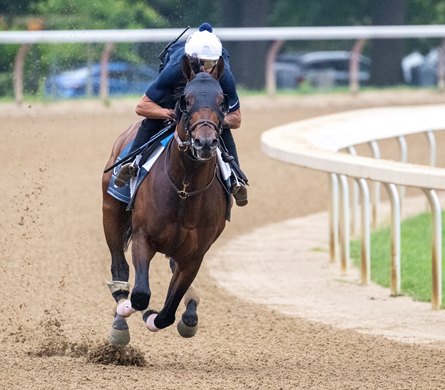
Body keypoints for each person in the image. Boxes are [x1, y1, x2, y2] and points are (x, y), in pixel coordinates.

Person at [114, 22, 248, 207]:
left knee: (221, 129)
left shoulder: (224, 75)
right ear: (189, 59)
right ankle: (131, 163)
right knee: (151, 121)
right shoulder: (176, 68)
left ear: (217, 62)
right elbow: (142, 106)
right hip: (174, 100)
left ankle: (235, 179)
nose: (204, 69)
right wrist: (166, 113)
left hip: (208, 110)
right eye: (199, 63)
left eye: (209, 64)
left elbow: (237, 118)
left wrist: (213, 120)